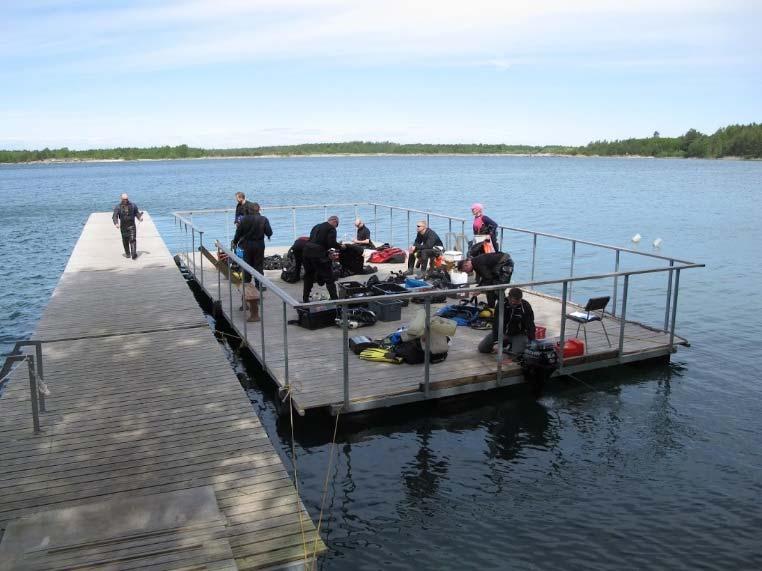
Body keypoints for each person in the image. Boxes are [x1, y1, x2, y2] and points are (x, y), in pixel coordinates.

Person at [478, 287, 535, 356]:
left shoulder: (525, 306)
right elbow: (496, 323)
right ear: (508, 298)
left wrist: (532, 340)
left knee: (516, 355)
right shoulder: (501, 304)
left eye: (518, 303)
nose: (515, 305)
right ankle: (505, 344)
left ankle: (513, 346)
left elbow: (530, 324)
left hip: (518, 334)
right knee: (482, 348)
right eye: (513, 303)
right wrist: (496, 341)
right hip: (502, 332)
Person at [302, 215, 345, 302]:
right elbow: (331, 243)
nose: (336, 227)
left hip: (306, 252)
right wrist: (340, 246)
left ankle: (305, 298)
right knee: (329, 278)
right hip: (318, 254)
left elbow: (315, 240)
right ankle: (335, 300)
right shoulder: (331, 229)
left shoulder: (316, 226)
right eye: (337, 225)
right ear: (335, 221)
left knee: (309, 276)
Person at [232, 202, 272, 285]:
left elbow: (238, 233)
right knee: (258, 265)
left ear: (249, 210)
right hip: (259, 245)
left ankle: (247, 284)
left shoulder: (244, 219)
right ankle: (259, 285)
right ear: (259, 209)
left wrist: (235, 242)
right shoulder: (264, 219)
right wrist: (266, 234)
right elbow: (269, 232)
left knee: (247, 265)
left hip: (246, 244)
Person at [112, 193, 143, 260]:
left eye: (126, 199)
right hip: (123, 227)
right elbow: (114, 216)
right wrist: (116, 223)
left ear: (128, 198)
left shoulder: (133, 205)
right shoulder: (118, 207)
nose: (125, 200)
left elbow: (137, 213)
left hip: (132, 226)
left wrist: (139, 218)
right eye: (124, 199)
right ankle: (127, 253)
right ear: (121, 199)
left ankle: (134, 254)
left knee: (132, 239)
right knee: (125, 240)